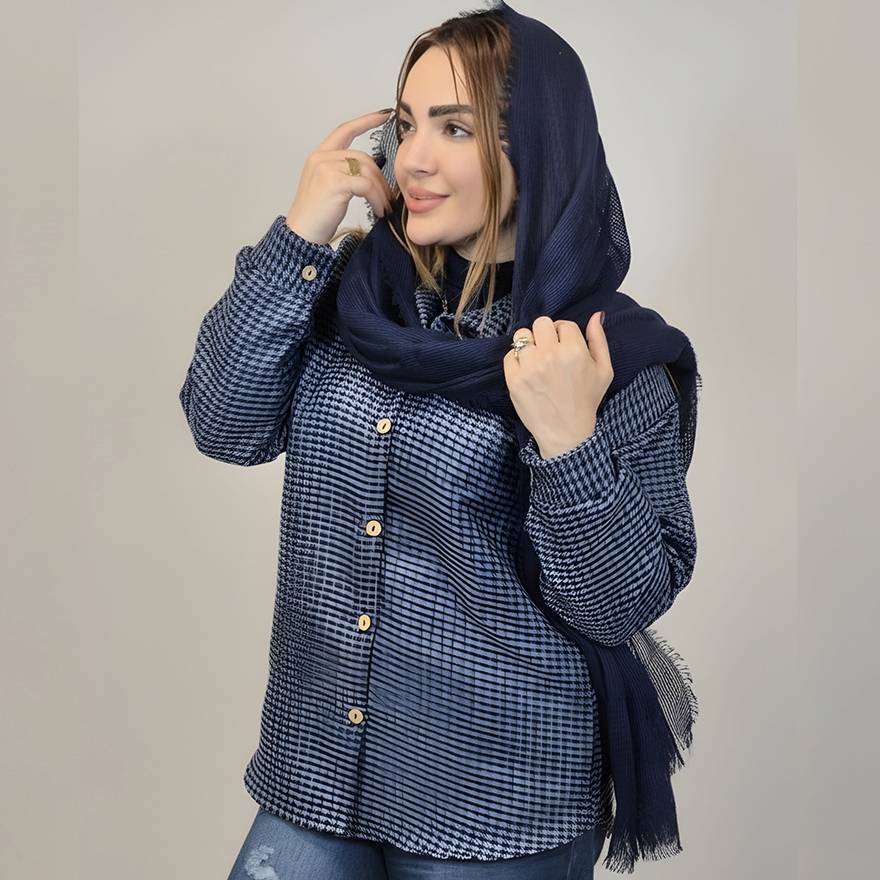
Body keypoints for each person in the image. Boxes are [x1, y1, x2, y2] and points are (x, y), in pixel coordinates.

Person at [179, 2, 701, 877]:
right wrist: (300, 233)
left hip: (497, 800)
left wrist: (569, 441)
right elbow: (224, 424)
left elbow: (619, 607)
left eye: (454, 128)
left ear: (538, 151)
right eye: (407, 122)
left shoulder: (605, 356)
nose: (412, 158)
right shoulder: (346, 294)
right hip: (320, 766)